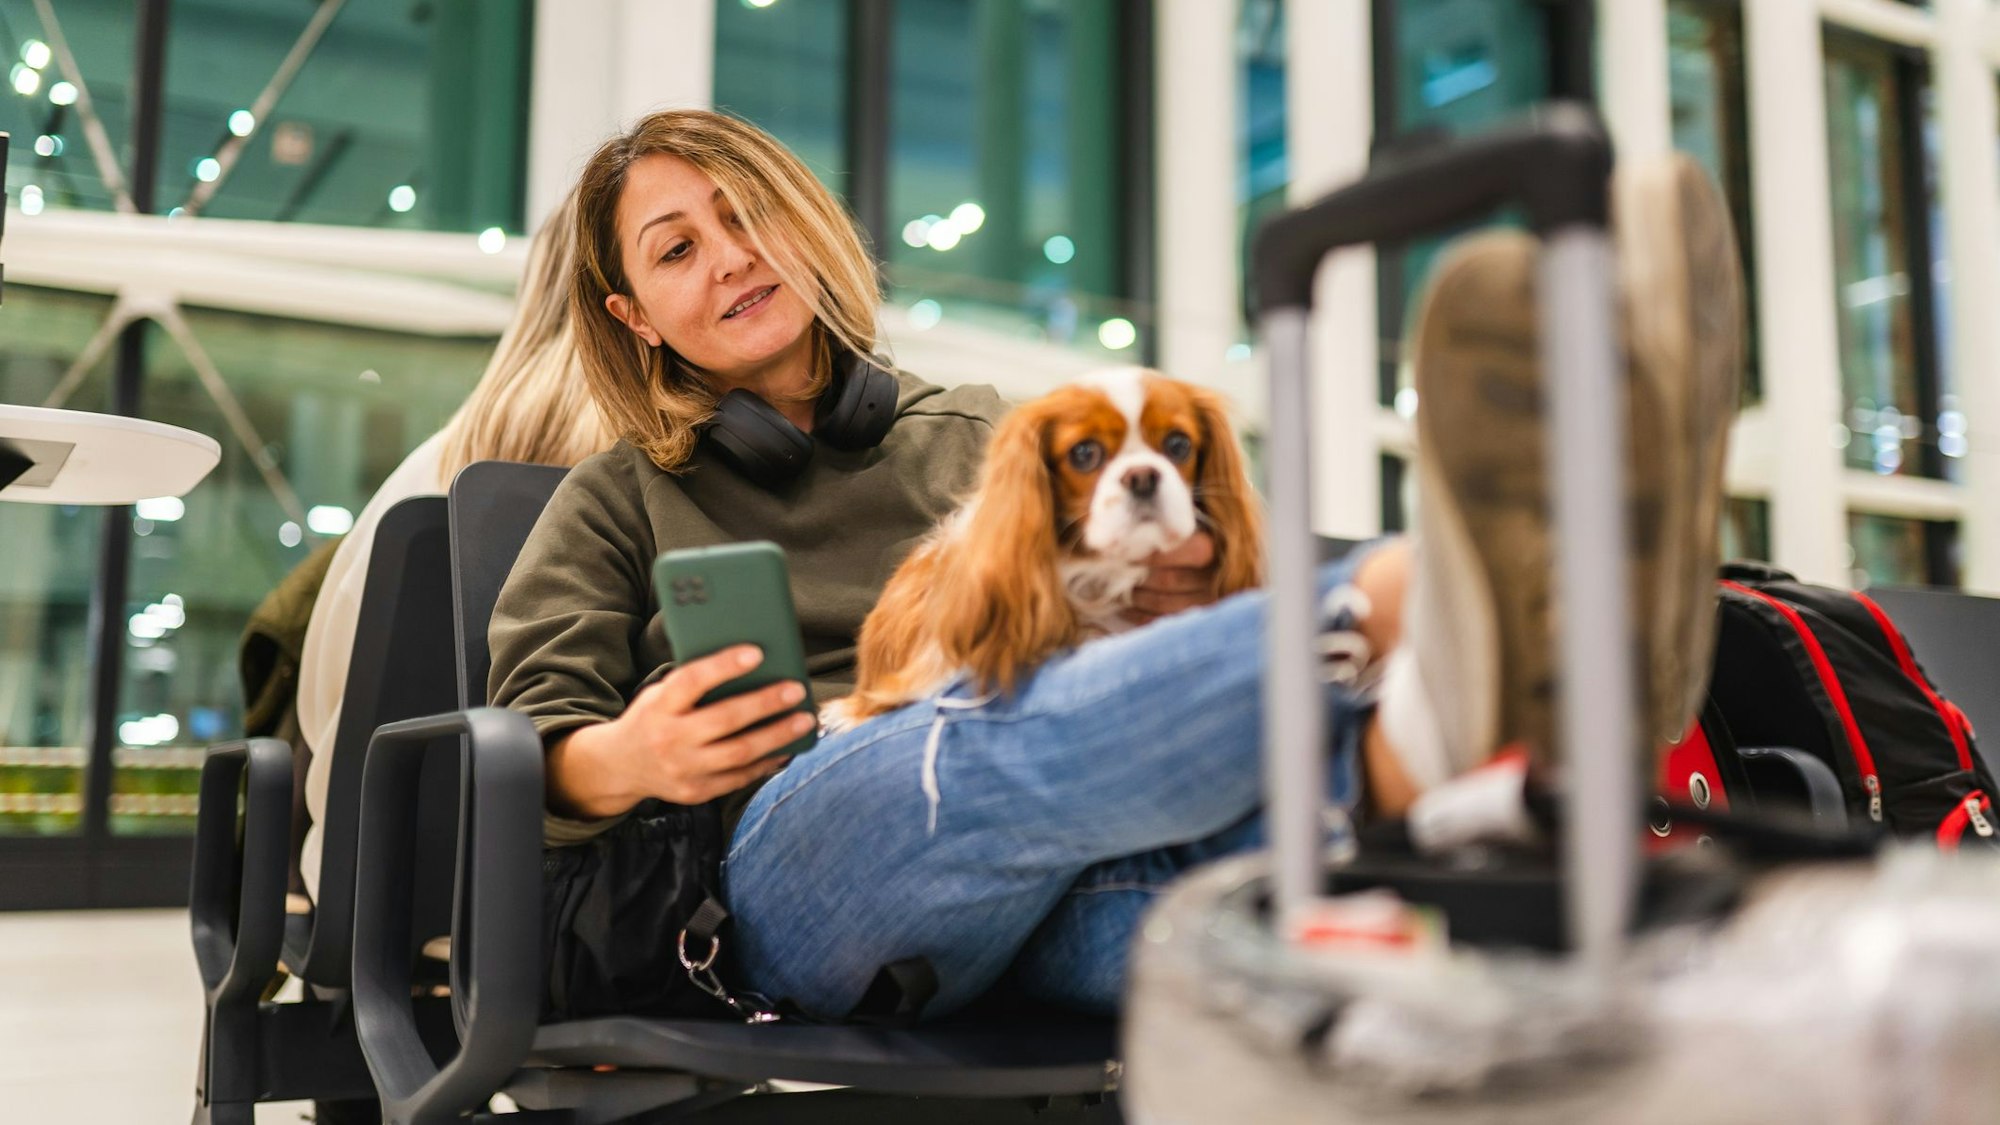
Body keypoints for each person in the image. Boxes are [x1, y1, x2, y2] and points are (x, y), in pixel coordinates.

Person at [488, 108, 1743, 1019]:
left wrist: (1171, 606)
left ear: (805, 223)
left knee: (1246, 904)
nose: (729, 255)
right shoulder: (614, 500)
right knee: (973, 726)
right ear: (633, 319)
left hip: (1052, 885)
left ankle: (1461, 732)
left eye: (745, 213)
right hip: (782, 872)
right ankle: (1438, 608)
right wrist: (625, 757)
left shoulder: (983, 433)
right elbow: (517, 750)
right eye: (674, 249)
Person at [295, 192, 617, 901]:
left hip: (380, 895)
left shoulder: (425, 474)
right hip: (585, 914)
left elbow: (325, 713)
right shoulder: (670, 483)